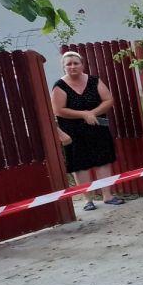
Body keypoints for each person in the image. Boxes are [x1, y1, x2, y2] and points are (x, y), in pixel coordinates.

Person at [51, 51, 120, 211]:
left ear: (82, 64)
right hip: (73, 131)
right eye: (68, 64)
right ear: (64, 67)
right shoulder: (59, 86)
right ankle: (88, 199)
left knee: (103, 160)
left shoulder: (94, 80)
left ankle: (107, 196)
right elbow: (58, 110)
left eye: (76, 63)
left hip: (97, 126)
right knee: (80, 164)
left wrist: (92, 113)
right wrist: (83, 114)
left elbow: (108, 100)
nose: (72, 66)